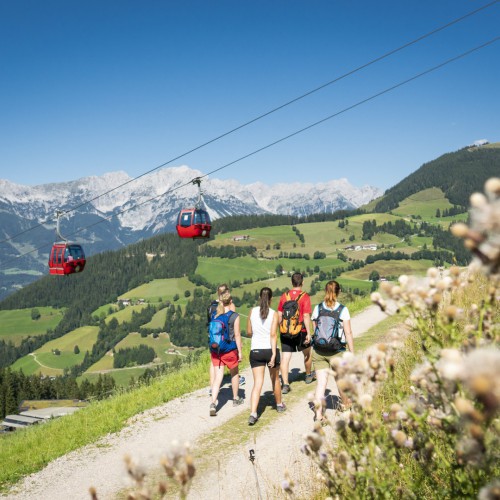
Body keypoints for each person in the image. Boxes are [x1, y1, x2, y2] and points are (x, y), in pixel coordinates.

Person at [311, 280, 354, 424]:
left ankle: (318, 416)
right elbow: (348, 332)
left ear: (325, 291)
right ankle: (346, 406)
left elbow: (315, 330)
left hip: (318, 350)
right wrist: (351, 351)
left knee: (321, 384)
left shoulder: (317, 309)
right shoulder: (342, 309)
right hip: (336, 351)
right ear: (338, 292)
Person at [246, 287, 286, 425]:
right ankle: (279, 404)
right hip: (269, 350)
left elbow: (249, 332)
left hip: (256, 350)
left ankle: (253, 413)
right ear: (271, 299)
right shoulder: (274, 314)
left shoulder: (252, 311)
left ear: (259, 297)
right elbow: (273, 334)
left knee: (257, 383)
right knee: (274, 379)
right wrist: (274, 353)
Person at [278, 272, 314, 394]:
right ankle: (308, 375)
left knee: (285, 358)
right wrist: (309, 333)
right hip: (301, 331)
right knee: (307, 353)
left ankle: (285, 384)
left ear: (292, 282)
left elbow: (279, 314)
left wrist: (280, 328)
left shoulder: (285, 296)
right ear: (302, 282)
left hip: (285, 332)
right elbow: (306, 315)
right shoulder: (305, 296)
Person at [209, 291, 244, 416]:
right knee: (234, 373)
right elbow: (237, 335)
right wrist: (240, 351)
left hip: (216, 351)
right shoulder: (234, 316)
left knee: (218, 377)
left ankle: (213, 403)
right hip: (229, 349)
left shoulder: (215, 315)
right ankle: (235, 398)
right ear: (231, 301)